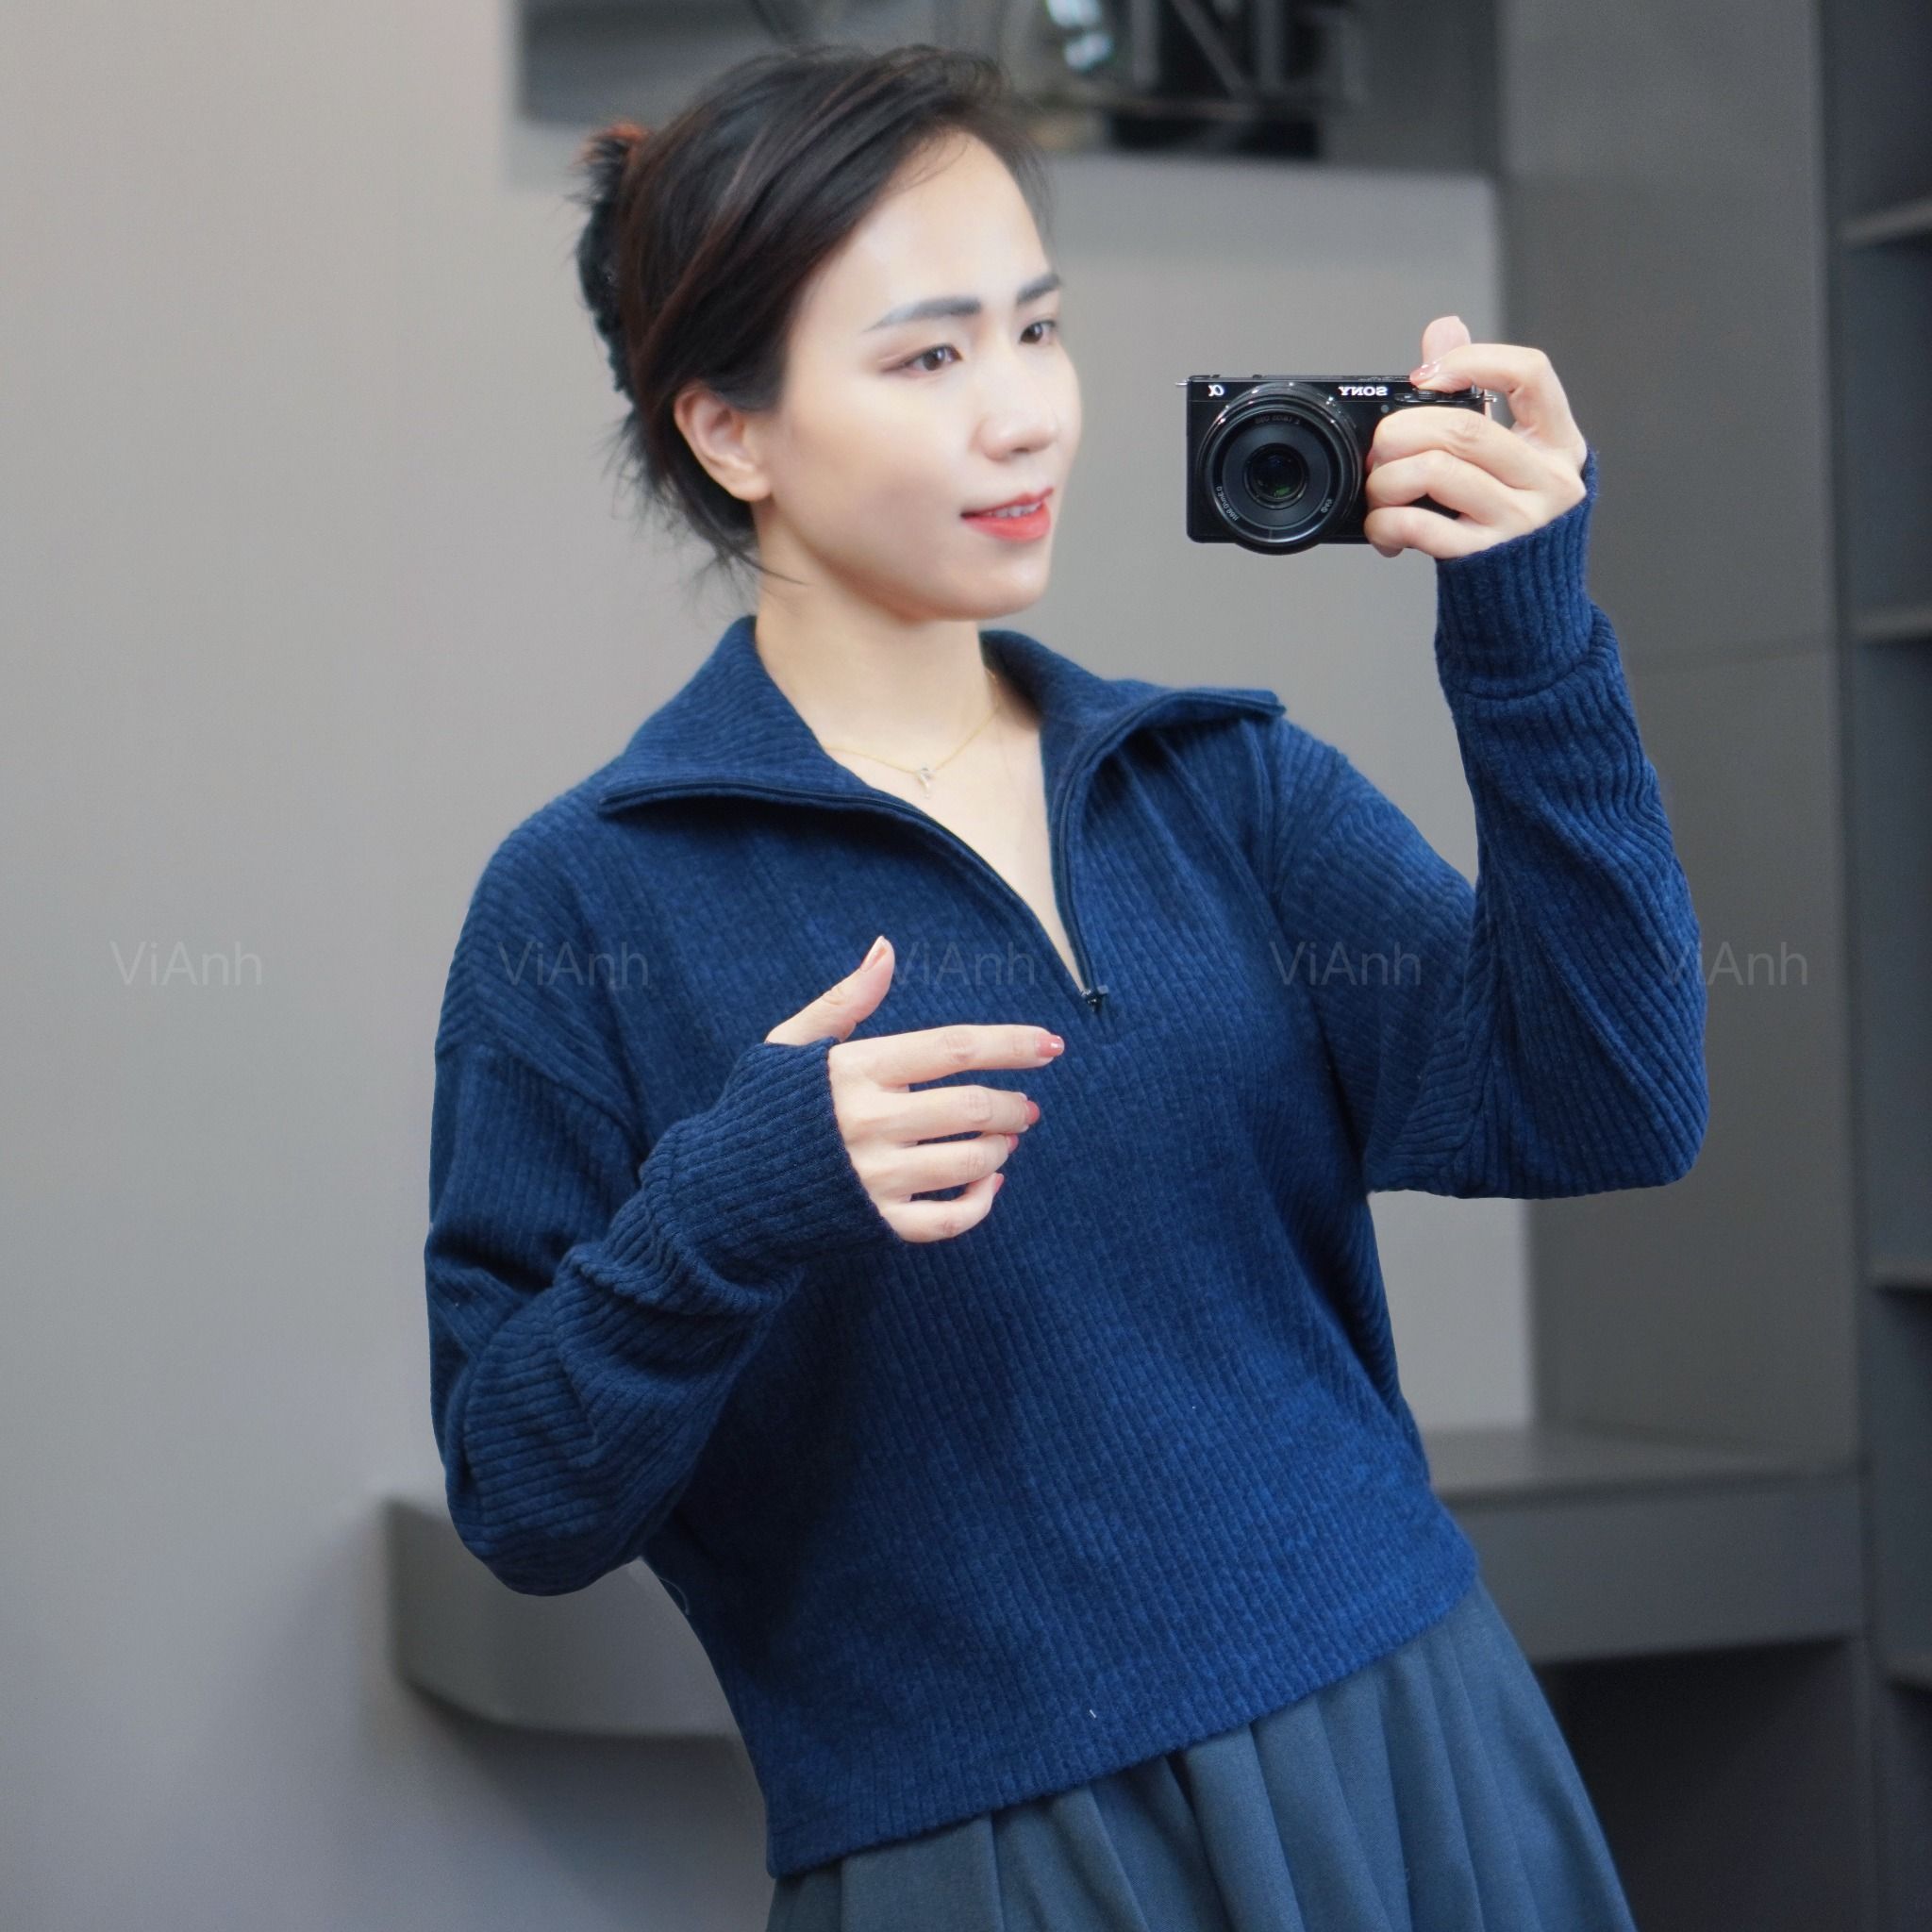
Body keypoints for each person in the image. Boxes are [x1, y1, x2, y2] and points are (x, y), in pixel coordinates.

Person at [422, 38, 1707, 1931]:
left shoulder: (1221, 789)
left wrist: (1526, 640)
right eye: (928, 359)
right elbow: (525, 1498)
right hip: (987, 1861)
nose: (1023, 416)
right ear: (731, 433)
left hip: (1415, 1757)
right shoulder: (587, 898)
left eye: (1038, 330)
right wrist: (734, 1199)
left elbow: (1611, 1100)